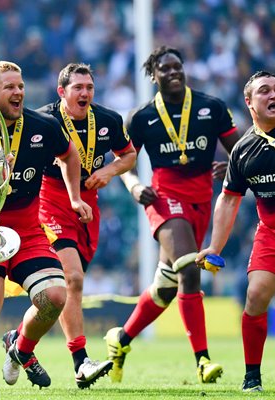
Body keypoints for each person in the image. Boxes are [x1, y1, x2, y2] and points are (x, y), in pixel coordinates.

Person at [103, 46, 241, 384]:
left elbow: (240, 149)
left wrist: (234, 168)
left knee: (165, 287)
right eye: (165, 69)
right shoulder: (142, 116)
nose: (174, 72)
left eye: (178, 66)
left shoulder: (212, 107)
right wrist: (135, 186)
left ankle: (120, 340)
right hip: (164, 197)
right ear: (154, 76)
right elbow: (124, 163)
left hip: (201, 200)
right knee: (189, 270)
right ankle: (203, 361)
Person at [0, 61, 93, 389]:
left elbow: (70, 155)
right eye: (9, 87)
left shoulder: (43, 125)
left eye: (20, 86)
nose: (18, 92)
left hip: (29, 228)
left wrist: (74, 197)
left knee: (55, 297)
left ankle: (20, 346)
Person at [196, 70, 275, 392]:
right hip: (273, 234)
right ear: (249, 102)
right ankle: (252, 377)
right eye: (265, 91)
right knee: (255, 295)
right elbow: (229, 200)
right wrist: (214, 248)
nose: (274, 95)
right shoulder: (243, 150)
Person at [37, 62, 137, 388]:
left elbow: (129, 155)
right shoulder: (44, 120)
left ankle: (20, 344)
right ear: (61, 92)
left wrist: (108, 172)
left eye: (89, 87)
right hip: (49, 201)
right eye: (78, 87)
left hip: (88, 206)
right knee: (73, 279)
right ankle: (81, 362)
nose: (85, 93)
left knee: (68, 289)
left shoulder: (107, 120)